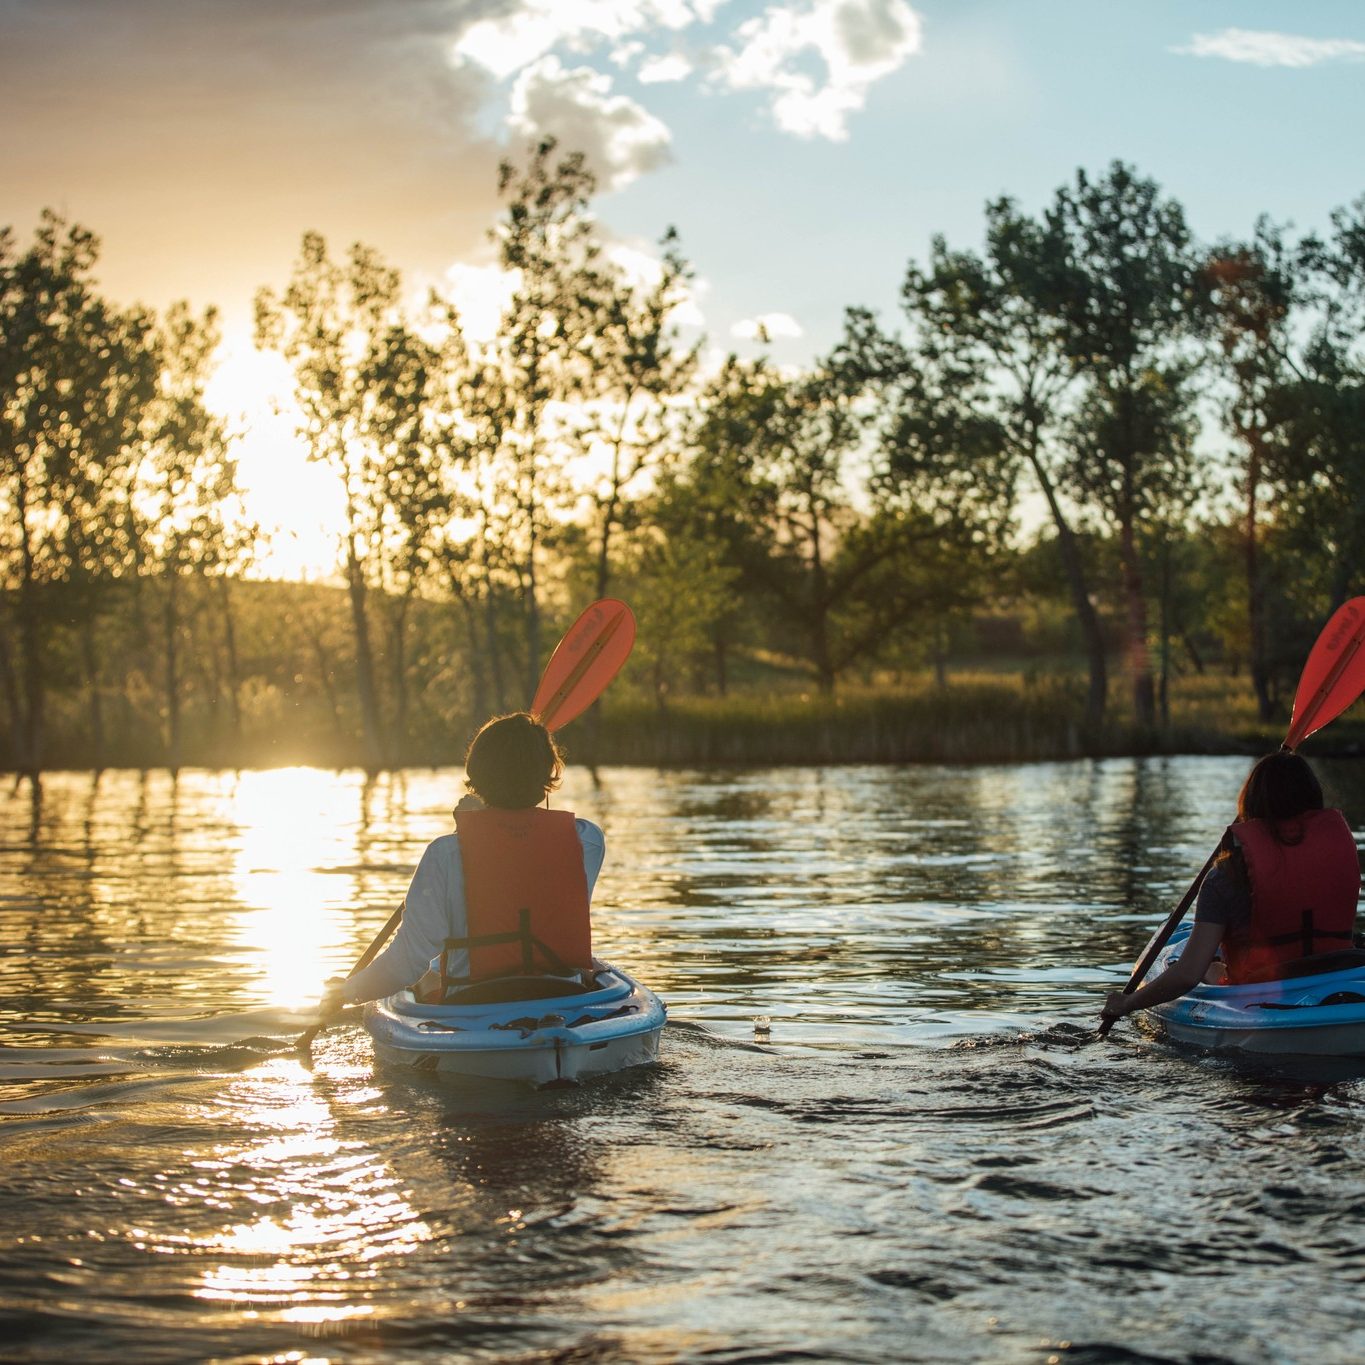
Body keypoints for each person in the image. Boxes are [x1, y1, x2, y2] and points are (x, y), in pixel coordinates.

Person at [325, 712, 604, 1009]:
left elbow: (408, 960)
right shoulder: (586, 841)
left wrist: (346, 992)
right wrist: (481, 822)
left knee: (426, 979)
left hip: (472, 1004)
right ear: (548, 774)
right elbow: (521, 839)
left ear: (477, 776)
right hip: (562, 998)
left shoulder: (444, 853)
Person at [1101, 750, 1361, 1027]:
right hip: (1342, 978)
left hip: (1263, 993)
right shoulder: (1338, 855)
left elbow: (1188, 974)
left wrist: (1127, 1003)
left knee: (1210, 969)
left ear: (1250, 803)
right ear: (1313, 798)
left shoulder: (1226, 876)